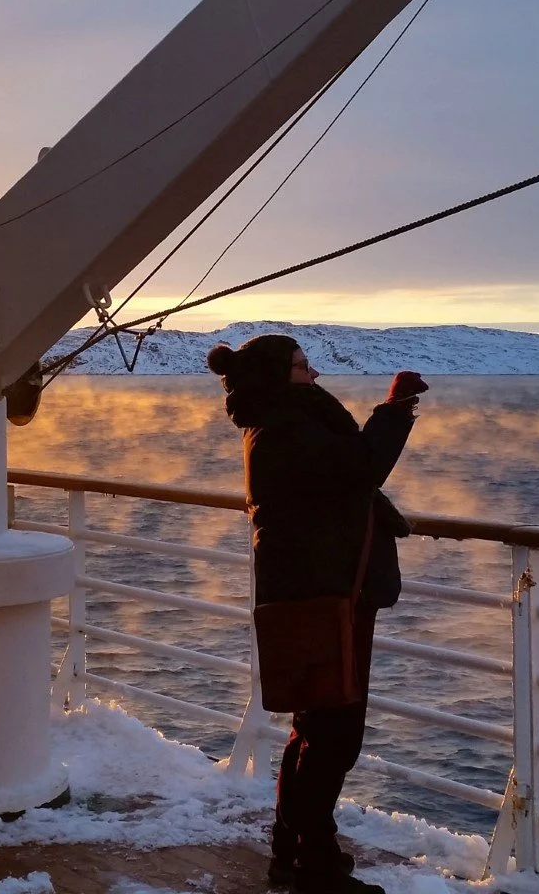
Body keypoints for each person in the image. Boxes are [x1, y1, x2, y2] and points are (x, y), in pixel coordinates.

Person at [206, 334, 427, 893]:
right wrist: (395, 409)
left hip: (313, 592)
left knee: (315, 729)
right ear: (282, 376)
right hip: (322, 598)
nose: (315, 375)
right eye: (305, 367)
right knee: (333, 737)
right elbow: (361, 465)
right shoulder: (285, 428)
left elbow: (343, 476)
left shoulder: (278, 421)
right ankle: (315, 871)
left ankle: (294, 854)